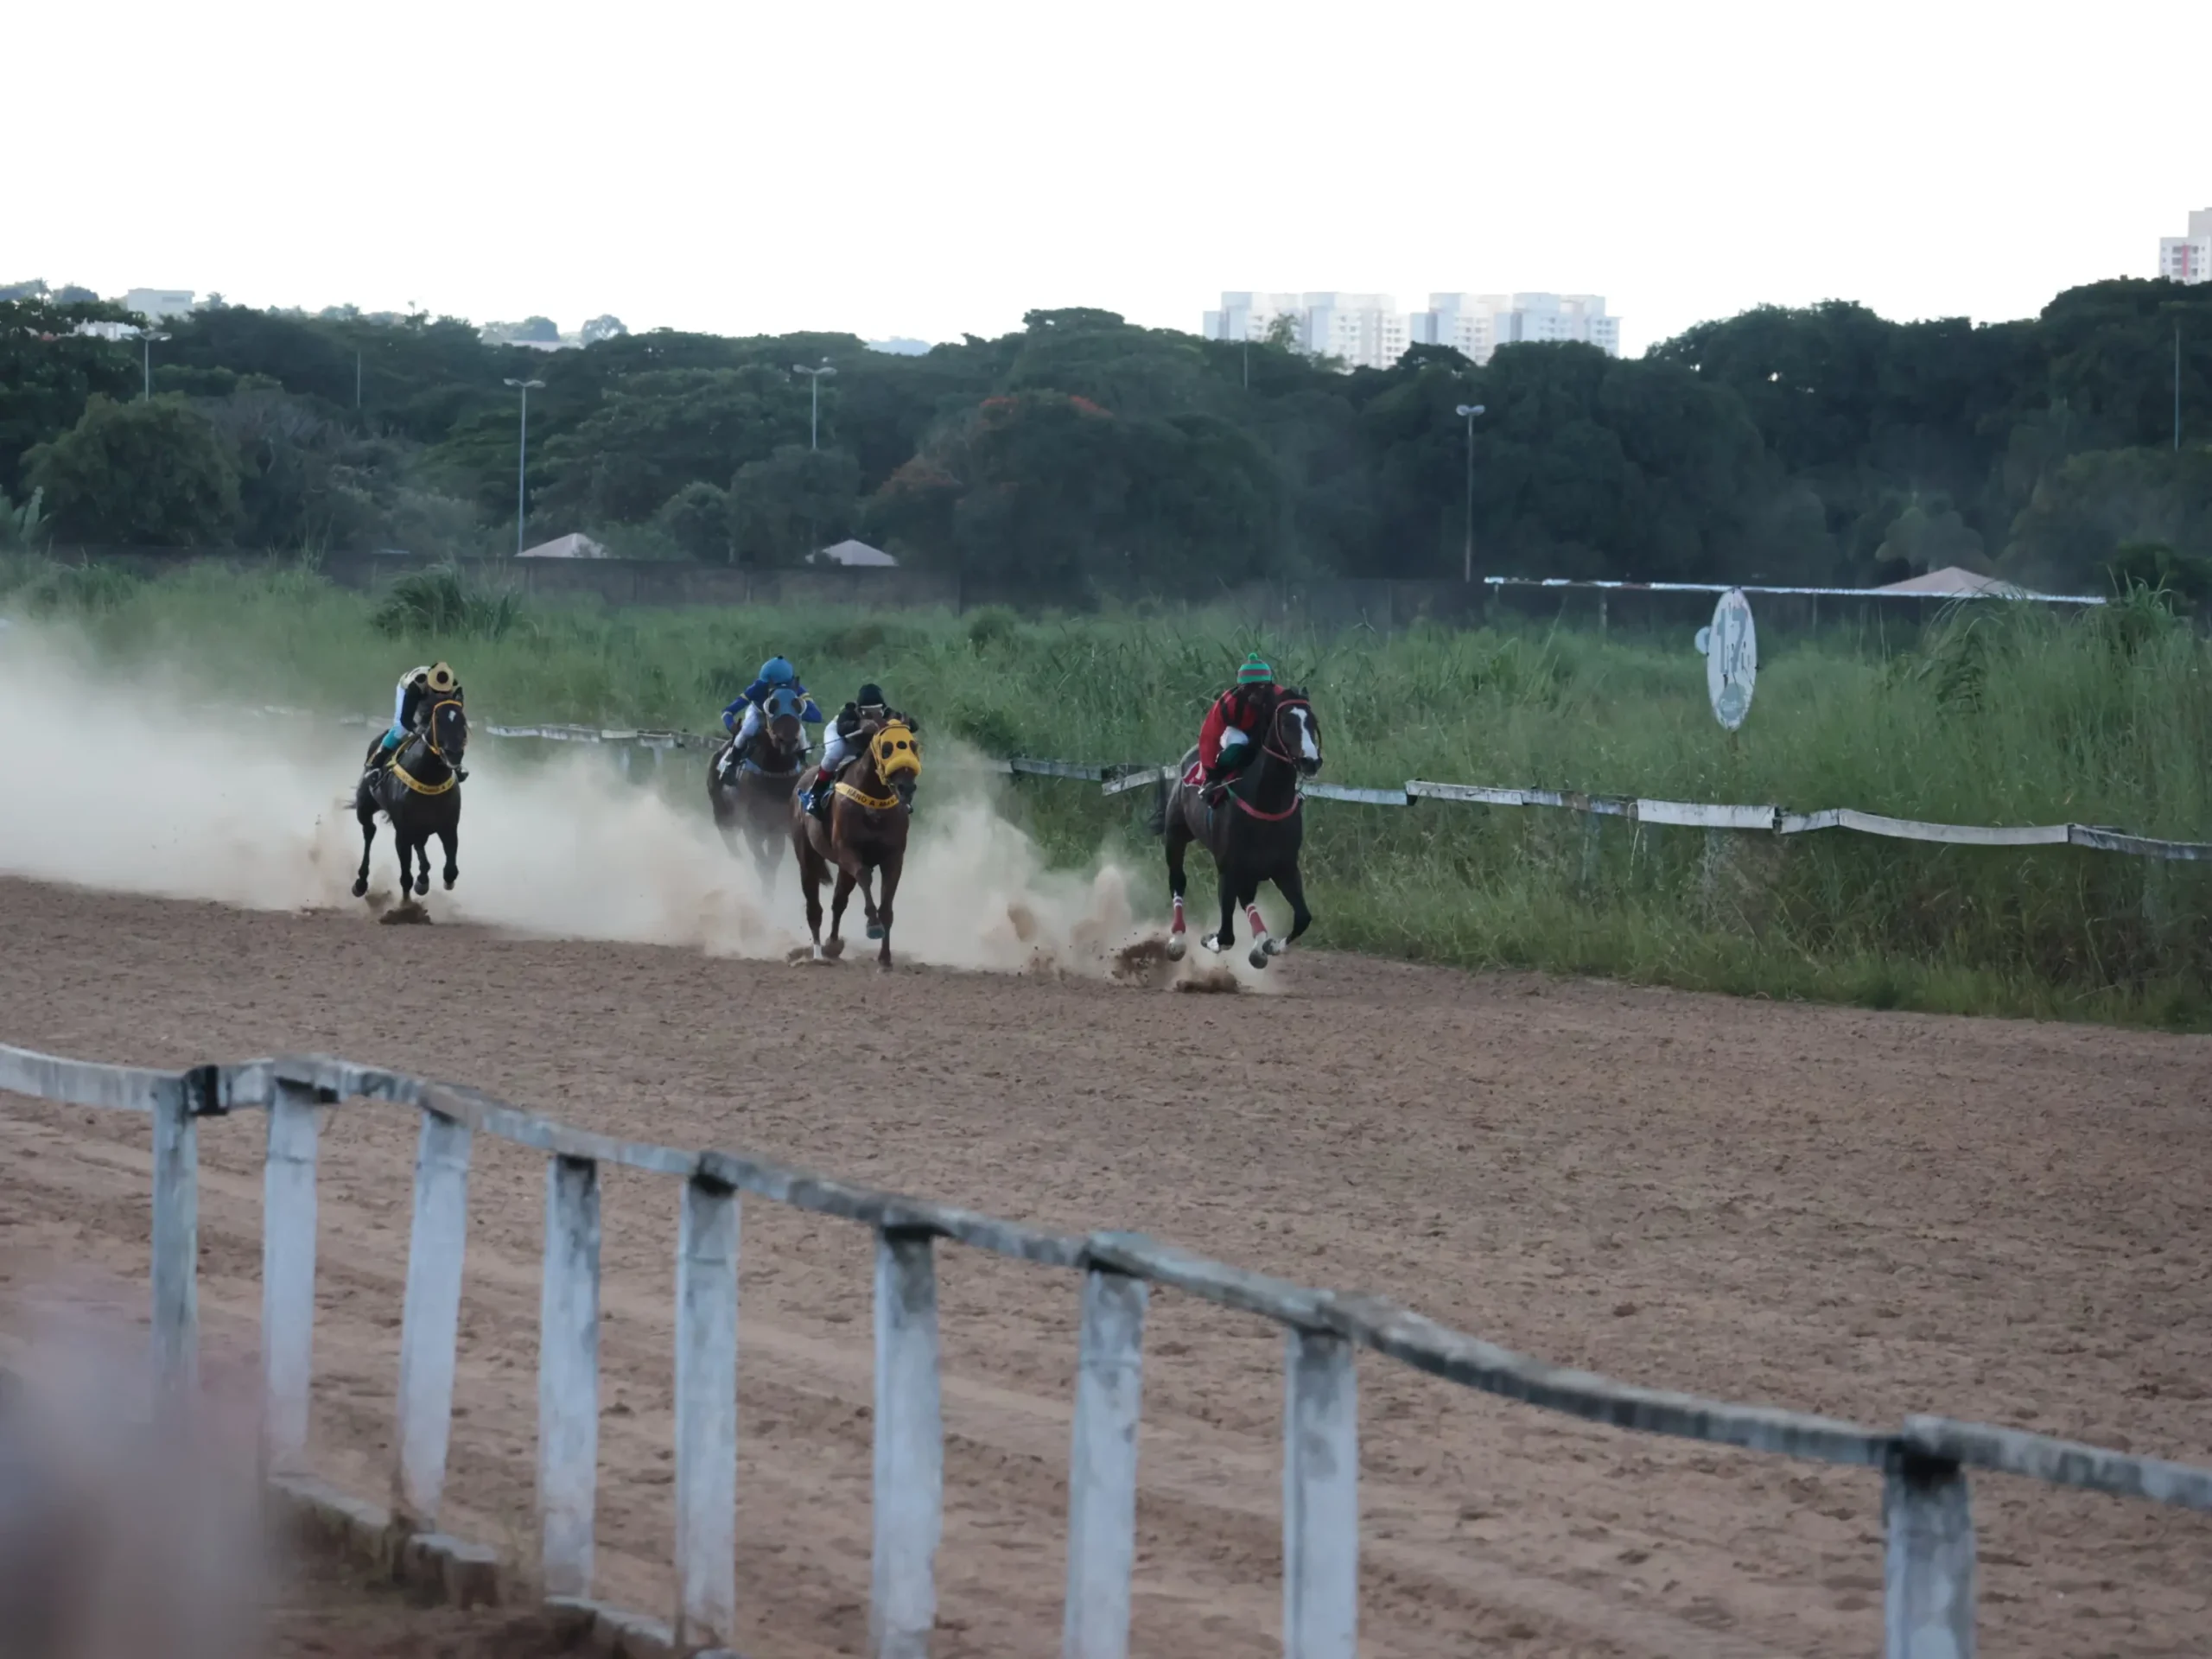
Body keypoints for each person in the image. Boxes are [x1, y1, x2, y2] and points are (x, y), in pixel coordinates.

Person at [807, 682, 918, 817]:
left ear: (884, 709)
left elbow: (914, 726)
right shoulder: (849, 713)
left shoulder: (890, 714)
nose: (873, 717)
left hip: (868, 746)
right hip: (846, 739)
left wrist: (901, 723)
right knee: (834, 754)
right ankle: (816, 793)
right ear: (859, 711)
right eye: (867, 713)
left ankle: (901, 794)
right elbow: (842, 729)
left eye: (878, 712)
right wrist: (859, 725)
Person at [719, 656, 822, 781]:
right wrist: (731, 725)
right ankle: (732, 765)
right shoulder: (758, 687)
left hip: (784, 719)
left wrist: (793, 712)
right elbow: (728, 711)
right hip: (759, 713)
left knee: (801, 734)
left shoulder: (797, 689)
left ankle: (803, 764)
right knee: (747, 731)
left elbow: (817, 715)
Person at [1197, 652, 1275, 803]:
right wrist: (1210, 771)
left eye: (1261, 687)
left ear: (1269, 686)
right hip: (1237, 731)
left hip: (1265, 731)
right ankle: (1217, 780)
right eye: (1250, 688)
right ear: (1240, 688)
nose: (1256, 693)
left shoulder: (1278, 696)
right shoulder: (1228, 703)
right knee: (1238, 748)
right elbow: (1209, 736)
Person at [372, 662, 466, 780]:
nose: (440, 694)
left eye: (444, 692)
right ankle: (376, 763)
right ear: (430, 684)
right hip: (408, 690)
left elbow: (454, 721)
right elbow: (406, 719)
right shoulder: (415, 686)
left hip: (436, 705)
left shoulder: (456, 690)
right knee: (402, 729)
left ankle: (456, 765)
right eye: (436, 690)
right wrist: (420, 731)